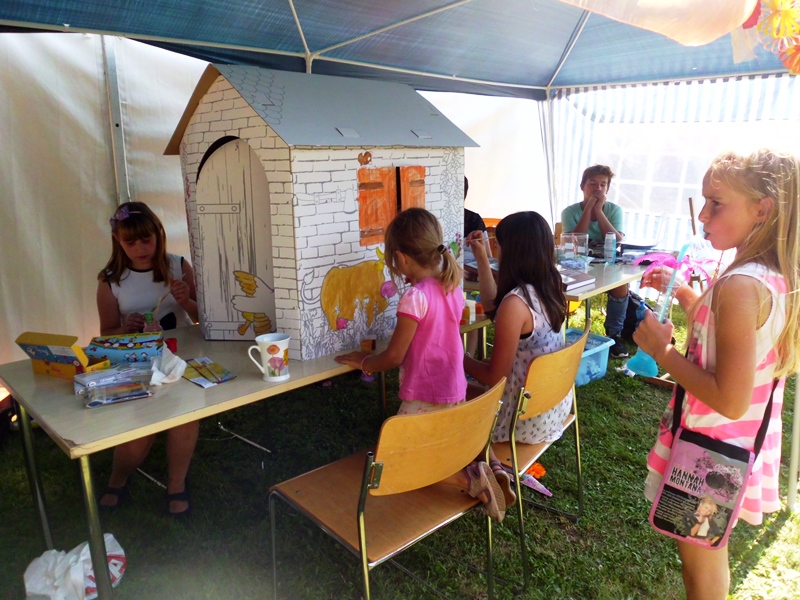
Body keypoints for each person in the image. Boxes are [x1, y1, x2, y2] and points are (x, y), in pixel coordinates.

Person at [635, 149, 800, 600]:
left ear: (762, 210)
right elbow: (724, 339)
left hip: (711, 450)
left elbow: (730, 397)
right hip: (733, 444)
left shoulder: (740, 286)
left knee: (701, 565)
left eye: (716, 203)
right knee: (707, 552)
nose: (703, 215)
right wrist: (687, 294)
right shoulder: (766, 277)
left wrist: (661, 351)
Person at [336, 207, 506, 522]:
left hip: (425, 393)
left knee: (396, 462)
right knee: (435, 446)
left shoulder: (415, 297)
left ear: (401, 259)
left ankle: (469, 479)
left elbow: (394, 356)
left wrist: (365, 362)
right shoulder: (450, 283)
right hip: (453, 388)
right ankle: (476, 467)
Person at [96, 201, 199, 516]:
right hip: (138, 361)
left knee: (186, 415)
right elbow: (106, 334)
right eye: (131, 242)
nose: (140, 249)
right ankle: (118, 477)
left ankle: (176, 484)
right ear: (118, 241)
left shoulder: (178, 266)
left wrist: (187, 301)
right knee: (143, 425)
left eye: (146, 240)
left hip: (181, 358)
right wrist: (125, 328)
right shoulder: (111, 280)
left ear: (159, 234)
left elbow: (205, 319)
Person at [464, 211, 572, 505]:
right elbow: (493, 307)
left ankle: (492, 465)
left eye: (498, 245)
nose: (496, 251)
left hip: (519, 420)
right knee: (462, 393)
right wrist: (483, 259)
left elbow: (493, 377)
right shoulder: (551, 287)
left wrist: (459, 358)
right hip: (551, 408)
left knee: (451, 397)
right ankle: (493, 465)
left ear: (513, 251)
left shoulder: (515, 305)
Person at [561, 165, 629, 358]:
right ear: (582, 186)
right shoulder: (570, 212)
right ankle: (557, 332)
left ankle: (614, 335)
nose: (598, 189)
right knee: (560, 284)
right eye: (592, 184)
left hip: (607, 263)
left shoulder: (614, 210)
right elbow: (573, 240)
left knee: (621, 286)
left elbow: (616, 239)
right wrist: (589, 207)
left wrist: (598, 211)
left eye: (603, 184)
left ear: (607, 188)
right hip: (575, 263)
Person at [463, 175, 493, 358]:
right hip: (450, 280)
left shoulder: (474, 220)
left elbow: (489, 258)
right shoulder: (433, 219)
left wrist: (477, 268)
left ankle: (468, 358)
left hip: (473, 281)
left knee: (471, 310)